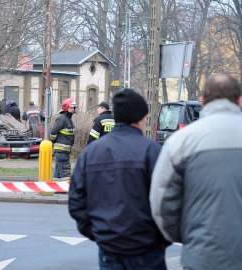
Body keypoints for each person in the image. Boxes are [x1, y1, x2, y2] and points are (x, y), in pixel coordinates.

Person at [69, 88, 169, 270]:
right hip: (146, 247)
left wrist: (97, 233)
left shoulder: (91, 153)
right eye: (145, 117)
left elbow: (76, 200)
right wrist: (162, 238)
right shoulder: (152, 151)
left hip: (109, 248)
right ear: (139, 118)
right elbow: (169, 200)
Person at [150, 73, 242, 270]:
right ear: (239, 100)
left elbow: (161, 203)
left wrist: (189, 236)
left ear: (202, 101)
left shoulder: (180, 142)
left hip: (202, 255)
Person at [50, 98, 77, 181]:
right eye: (71, 107)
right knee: (66, 171)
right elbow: (53, 133)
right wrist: (54, 142)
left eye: (74, 108)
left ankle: (57, 188)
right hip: (61, 150)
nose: (73, 109)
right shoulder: (61, 118)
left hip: (65, 150)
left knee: (58, 172)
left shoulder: (68, 119)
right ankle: (66, 188)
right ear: (66, 107)